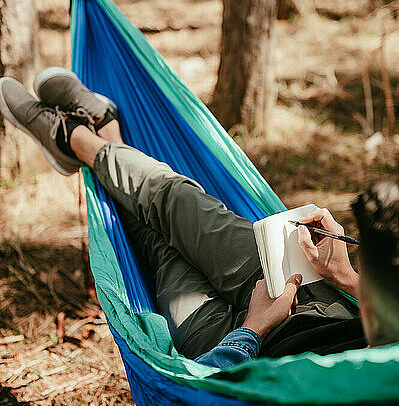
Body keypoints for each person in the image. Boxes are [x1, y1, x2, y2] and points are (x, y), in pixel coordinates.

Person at [2, 68, 392, 369]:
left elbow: (209, 399)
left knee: (160, 249)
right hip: (311, 298)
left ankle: (83, 137)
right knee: (175, 200)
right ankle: (87, 139)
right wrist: (347, 277)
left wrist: (252, 330)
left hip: (236, 356)